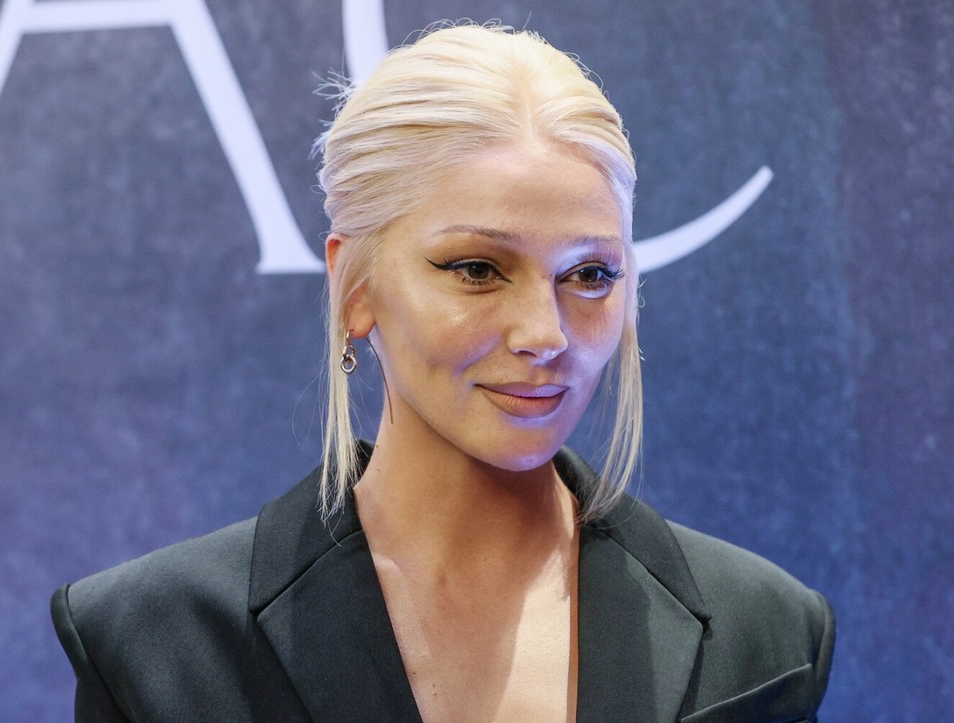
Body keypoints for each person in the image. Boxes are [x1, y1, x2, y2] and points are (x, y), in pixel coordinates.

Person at [51, 23, 834, 722]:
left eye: (589, 274)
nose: (544, 333)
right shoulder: (160, 642)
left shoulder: (763, 633)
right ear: (355, 286)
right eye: (477, 269)